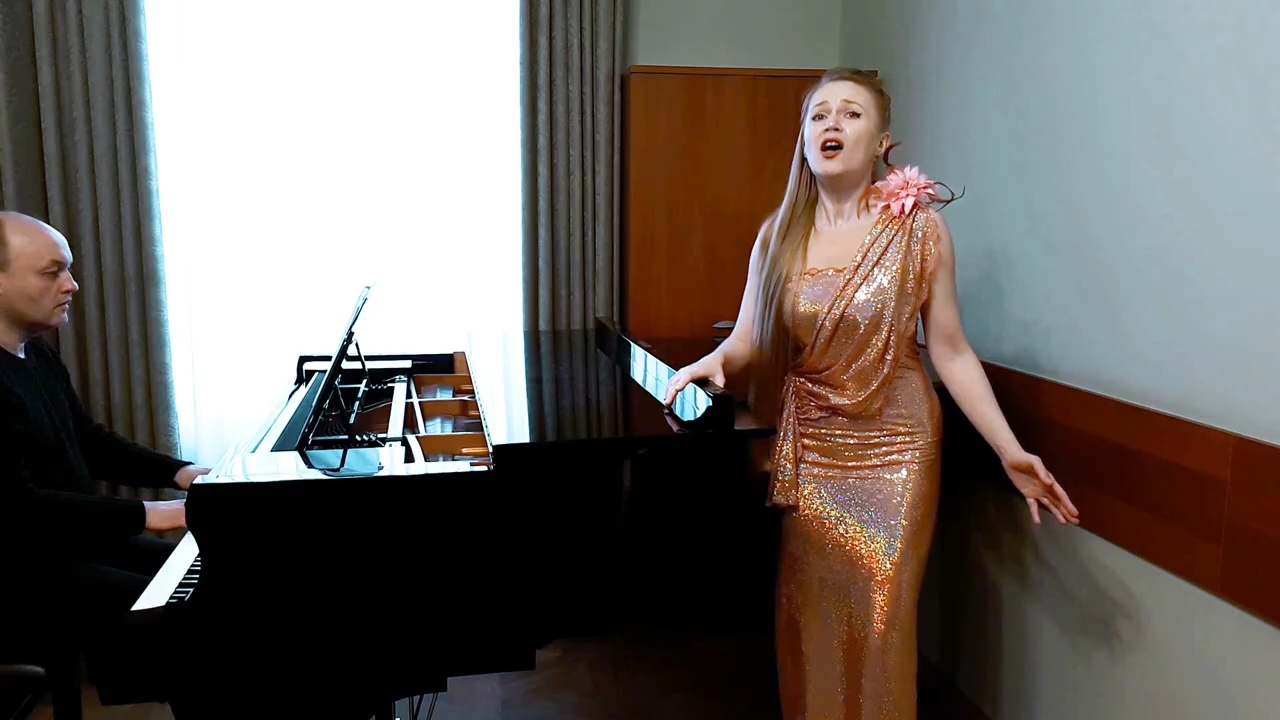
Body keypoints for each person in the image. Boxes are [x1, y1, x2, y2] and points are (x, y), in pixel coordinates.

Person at [663, 68, 1080, 719]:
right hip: (816, 449)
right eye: (819, 114)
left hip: (897, 448)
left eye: (851, 113)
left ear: (883, 142)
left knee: (882, 620)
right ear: (805, 139)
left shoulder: (919, 230)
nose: (832, 123)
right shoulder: (778, 233)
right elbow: (745, 338)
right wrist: (710, 361)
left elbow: (951, 350)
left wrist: (1008, 450)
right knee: (810, 618)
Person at [0, 210, 210, 713]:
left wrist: (178, 472)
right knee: (186, 624)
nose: (71, 285)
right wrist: (151, 513)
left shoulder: (36, 354)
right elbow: (17, 508)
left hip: (68, 547)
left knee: (212, 582)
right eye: (52, 272)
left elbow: (88, 441)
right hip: (18, 569)